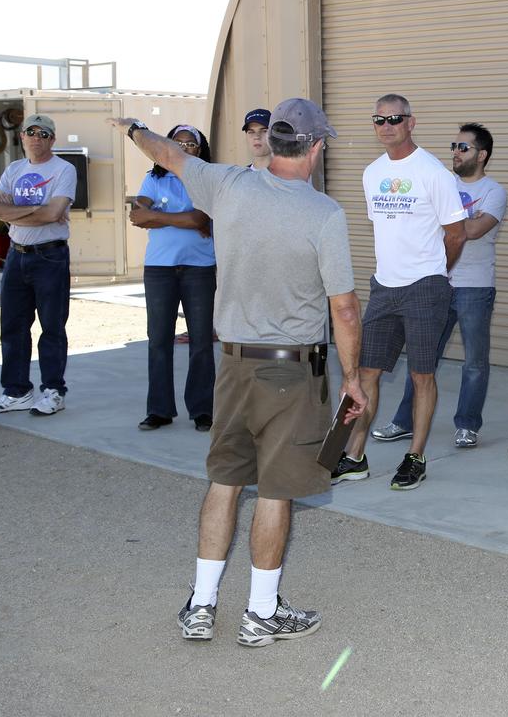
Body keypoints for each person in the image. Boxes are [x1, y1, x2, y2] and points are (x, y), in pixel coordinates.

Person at [112, 98, 366, 648]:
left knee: (225, 481)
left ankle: (201, 605)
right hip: (294, 374)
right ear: (316, 147)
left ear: (272, 142)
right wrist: (354, 378)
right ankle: (260, 612)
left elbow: (166, 153)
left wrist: (134, 127)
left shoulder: (226, 184)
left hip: (232, 366)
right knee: (275, 492)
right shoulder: (324, 213)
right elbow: (343, 307)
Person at [332, 95, 466, 490]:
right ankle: (354, 456)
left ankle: (415, 456)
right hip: (384, 287)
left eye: (395, 118)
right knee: (366, 373)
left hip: (425, 287)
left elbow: (455, 234)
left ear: (411, 122)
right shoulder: (372, 173)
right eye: (379, 119)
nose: (386, 125)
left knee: (423, 375)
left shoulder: (433, 172)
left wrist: (434, 272)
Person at [369, 122, 507, 448]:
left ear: (482, 154)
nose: (456, 153)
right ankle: (403, 421)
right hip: (433, 286)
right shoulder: (440, 180)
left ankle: (467, 425)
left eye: (464, 147)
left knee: (474, 361)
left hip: (474, 287)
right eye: (453, 147)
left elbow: (470, 231)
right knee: (422, 360)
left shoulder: (493, 192)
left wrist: (444, 224)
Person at [0, 114, 76, 416]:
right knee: (12, 327)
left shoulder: (64, 170)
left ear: (52, 139)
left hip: (50, 256)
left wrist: (18, 211)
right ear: (22, 137)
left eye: (44, 133)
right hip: (16, 254)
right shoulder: (14, 169)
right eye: (31, 132)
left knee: (51, 327)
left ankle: (53, 391)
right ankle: (17, 391)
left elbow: (54, 215)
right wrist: (38, 207)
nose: (37, 138)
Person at [130, 125, 217, 432]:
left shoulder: (206, 177)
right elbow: (138, 215)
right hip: (159, 269)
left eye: (190, 144)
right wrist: (183, 220)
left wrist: (160, 217)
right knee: (159, 341)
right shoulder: (153, 178)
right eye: (177, 143)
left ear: (200, 149)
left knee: (202, 342)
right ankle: (159, 410)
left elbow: (199, 218)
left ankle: (202, 410)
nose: (183, 148)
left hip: (200, 268)